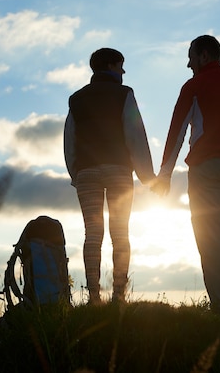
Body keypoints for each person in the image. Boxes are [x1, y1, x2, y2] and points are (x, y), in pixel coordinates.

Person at [153, 35, 220, 313]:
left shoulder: (194, 86)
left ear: (204, 55)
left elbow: (176, 131)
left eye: (191, 56)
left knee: (210, 239)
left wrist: (164, 174)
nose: (188, 63)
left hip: (206, 168)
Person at [64, 48, 156, 304]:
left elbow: (69, 140)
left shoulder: (77, 98)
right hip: (118, 169)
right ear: (111, 66)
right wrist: (147, 176)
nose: (123, 71)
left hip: (86, 171)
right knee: (120, 232)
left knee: (92, 233)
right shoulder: (124, 94)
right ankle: (118, 295)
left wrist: (76, 173)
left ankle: (93, 295)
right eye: (120, 65)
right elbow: (135, 134)